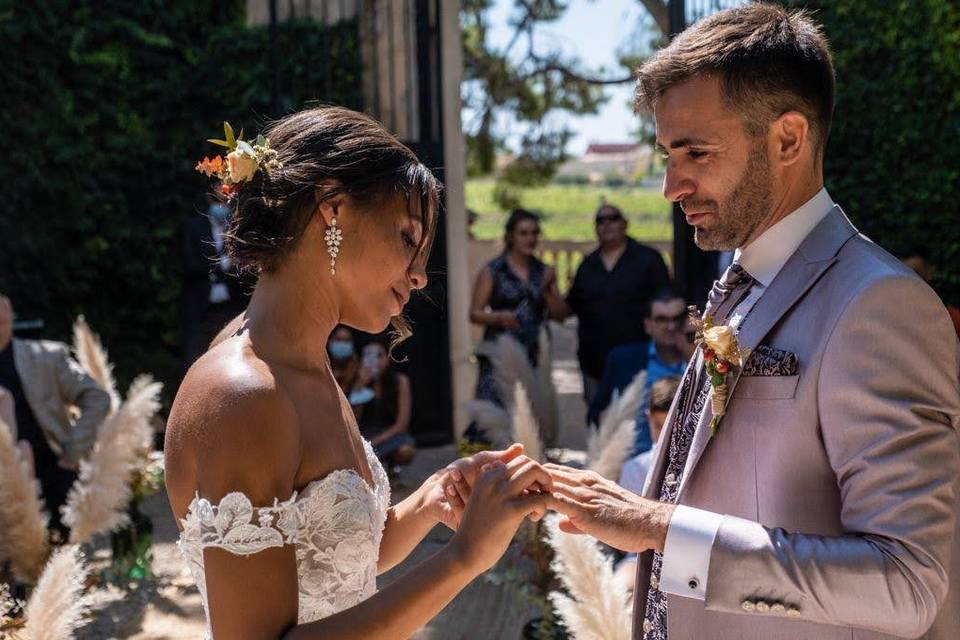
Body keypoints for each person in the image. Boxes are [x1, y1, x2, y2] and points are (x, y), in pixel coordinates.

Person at [482, 5, 960, 639]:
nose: (670, 186)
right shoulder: (740, 281)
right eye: (666, 154)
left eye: (695, 152)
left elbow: (908, 582)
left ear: (788, 139)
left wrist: (658, 528)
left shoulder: (878, 305)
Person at [164, 106, 552, 640]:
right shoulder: (245, 395)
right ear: (333, 209)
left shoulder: (301, 361)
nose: (418, 276)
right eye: (406, 239)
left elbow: (334, 565)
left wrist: (431, 500)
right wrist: (463, 560)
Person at [0, 295, 111, 536]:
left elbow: (98, 398)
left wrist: (72, 451)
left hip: (52, 471)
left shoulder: (45, 358)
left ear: (10, 319)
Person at [552, 204, 671, 404]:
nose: (606, 224)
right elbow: (565, 311)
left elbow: (667, 306)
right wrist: (549, 288)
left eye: (613, 218)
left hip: (638, 363)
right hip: (593, 364)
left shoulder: (648, 260)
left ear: (624, 224)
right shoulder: (587, 266)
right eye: (600, 220)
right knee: (599, 428)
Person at [465, 209, 565, 441]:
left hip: (534, 352)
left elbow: (560, 314)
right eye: (523, 233)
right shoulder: (493, 270)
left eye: (534, 233)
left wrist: (548, 289)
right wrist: (500, 317)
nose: (530, 238)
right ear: (511, 236)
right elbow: (475, 313)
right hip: (500, 353)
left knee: (530, 417)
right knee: (492, 416)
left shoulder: (543, 271)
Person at [587, 287, 692, 456]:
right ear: (648, 325)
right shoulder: (623, 360)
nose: (671, 326)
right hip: (632, 462)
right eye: (662, 319)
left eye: (677, 319)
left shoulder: (700, 359)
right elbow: (596, 413)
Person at [613, 376, 681, 594]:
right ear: (648, 418)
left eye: (671, 426)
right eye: (658, 426)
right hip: (642, 556)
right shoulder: (635, 467)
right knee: (619, 588)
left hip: (686, 554)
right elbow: (625, 533)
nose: (664, 435)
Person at [181, 194, 251, 373]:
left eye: (225, 202)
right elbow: (189, 264)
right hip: (201, 306)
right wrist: (218, 265)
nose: (222, 206)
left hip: (232, 306)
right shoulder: (194, 226)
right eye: (218, 201)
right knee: (195, 358)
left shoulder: (237, 228)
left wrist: (232, 266)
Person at [352, 338, 417, 469]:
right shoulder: (356, 380)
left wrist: (374, 442)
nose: (374, 360)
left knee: (405, 450)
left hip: (391, 433)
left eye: (379, 355)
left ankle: (391, 465)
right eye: (368, 355)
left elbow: (401, 424)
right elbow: (353, 420)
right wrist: (360, 385)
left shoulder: (400, 382)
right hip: (366, 433)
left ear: (388, 358)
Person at [899, 246, 960, 339]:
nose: (909, 280)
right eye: (903, 274)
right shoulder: (884, 319)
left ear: (930, 272)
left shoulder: (952, 320)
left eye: (915, 274)